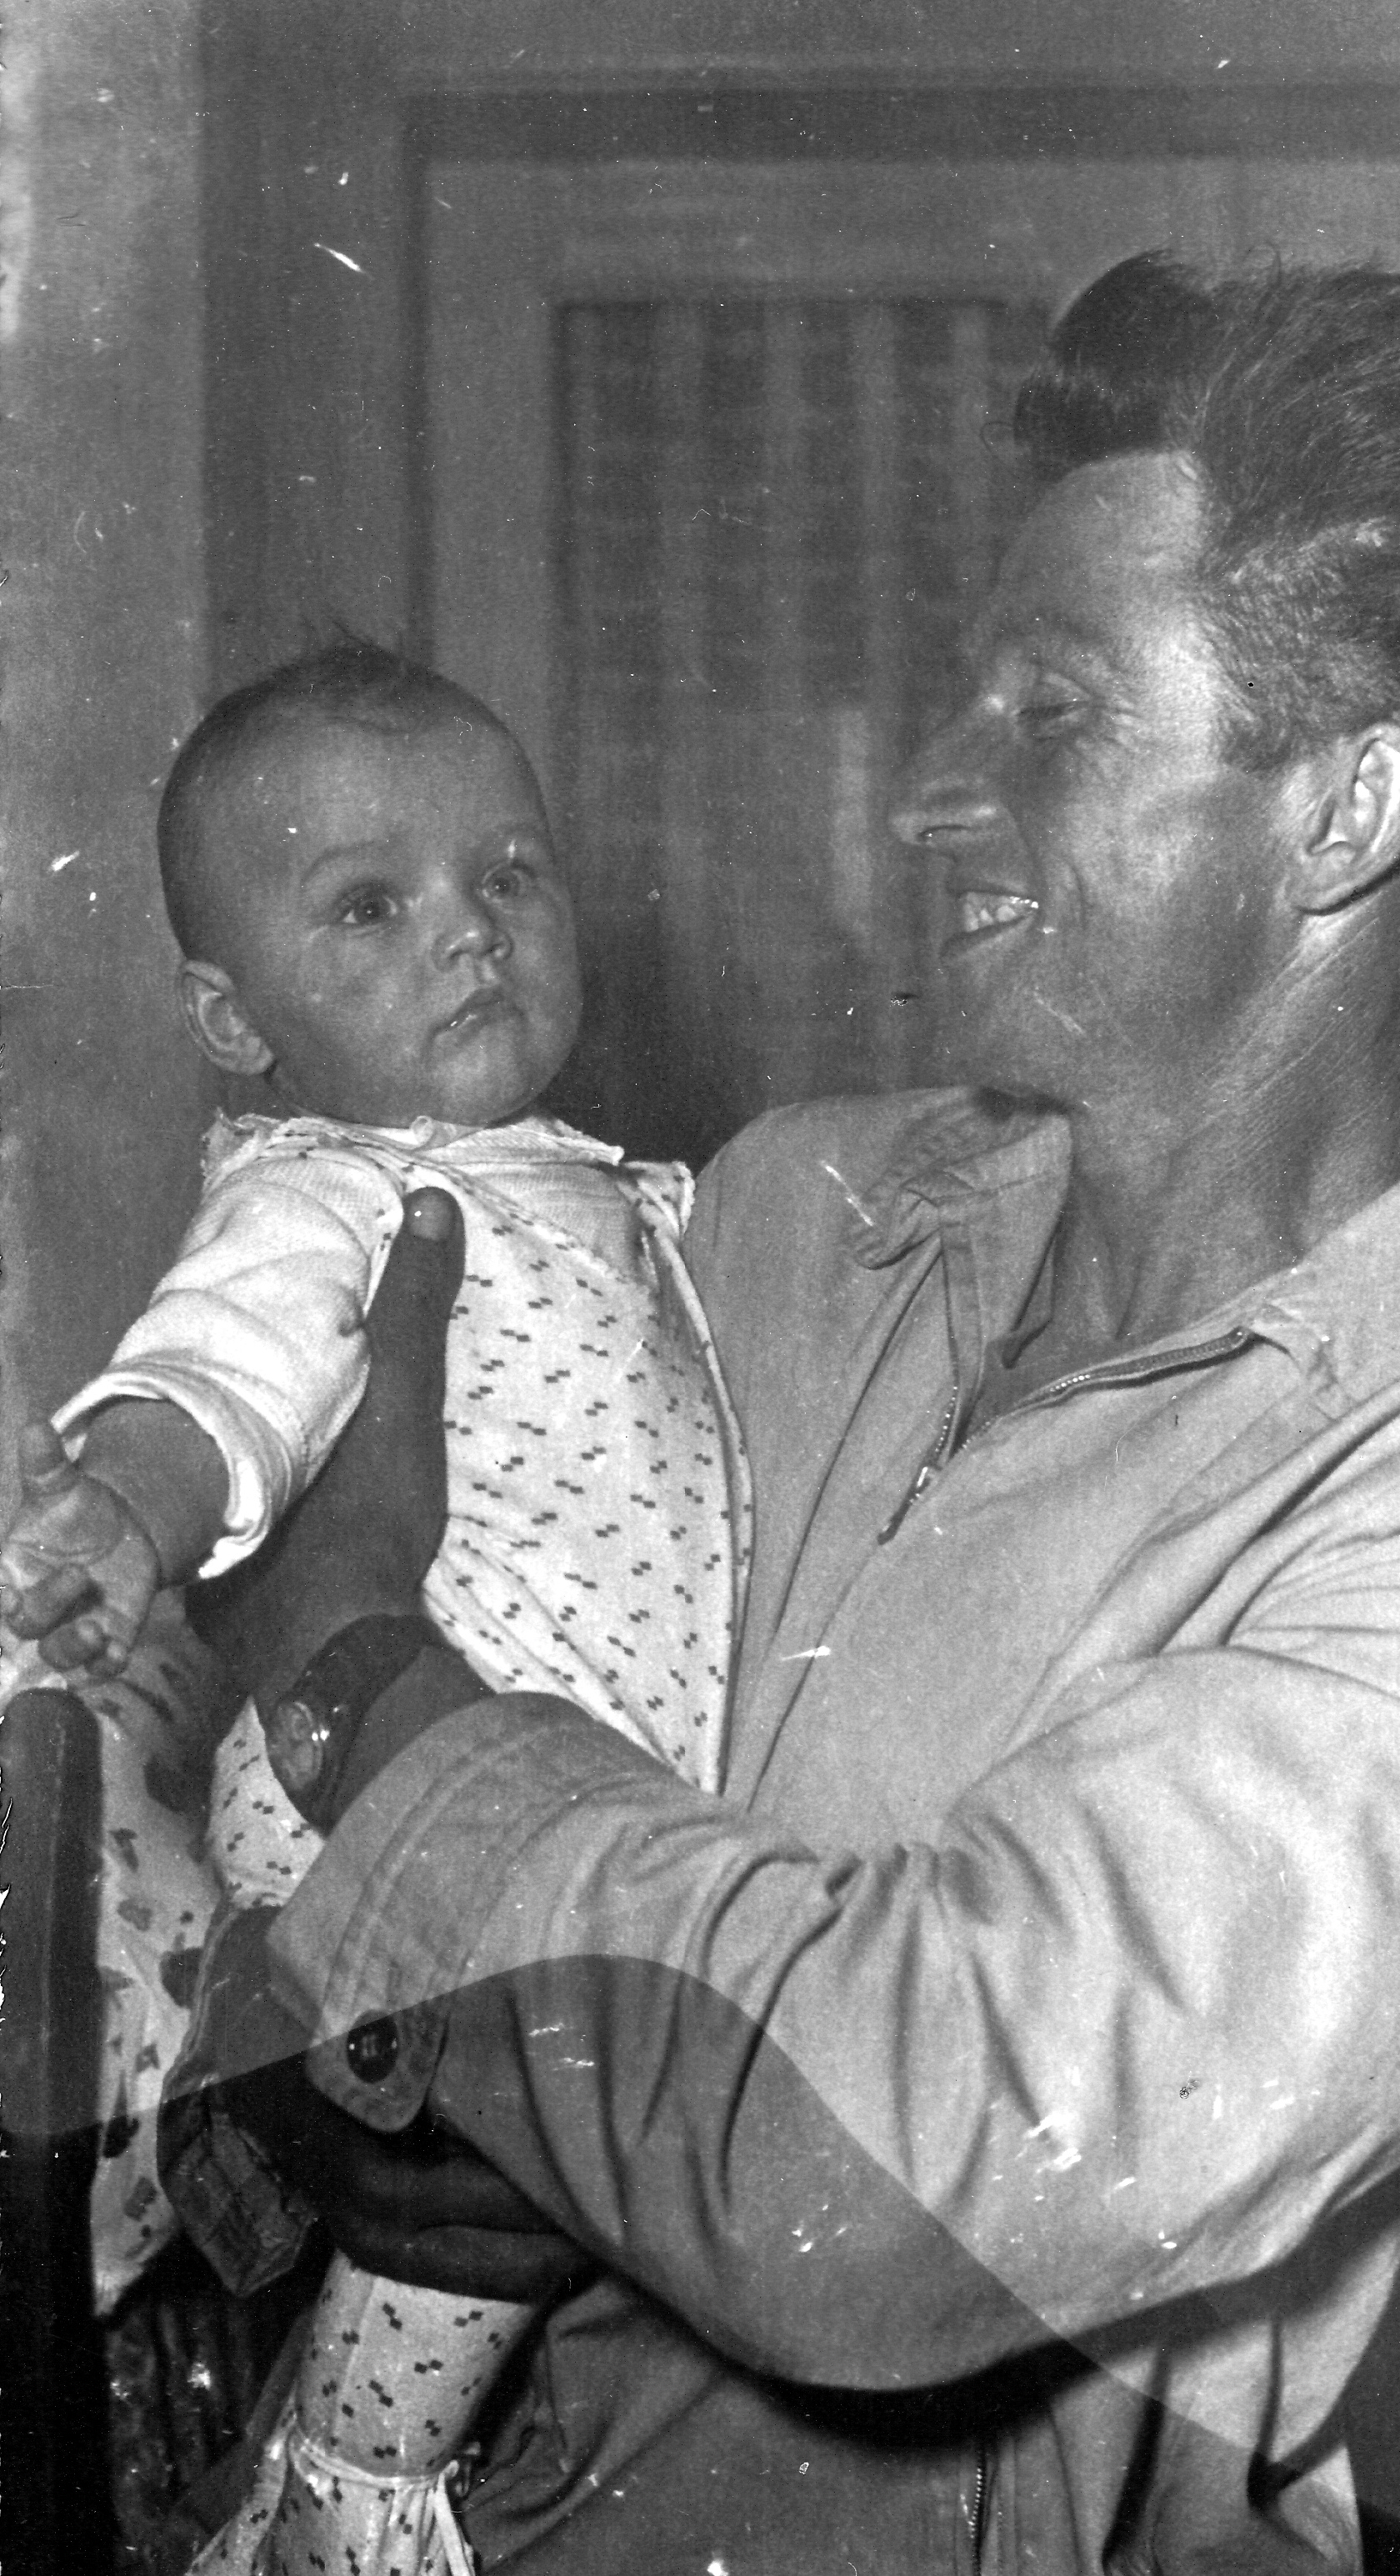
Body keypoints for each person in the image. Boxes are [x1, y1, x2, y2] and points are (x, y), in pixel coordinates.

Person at [167, 255, 1400, 2573]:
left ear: (1344, 812)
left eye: (1050, 712)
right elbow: (298, 1944)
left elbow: (876, 2173)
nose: (928, 792)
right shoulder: (787, 1215)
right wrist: (320, 2088)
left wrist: (351, 1660)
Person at [0, 644, 745, 2572]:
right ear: (229, 1021)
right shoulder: (333, 1193)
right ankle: (344, 2505)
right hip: (392, 1802)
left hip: (542, 1803)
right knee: (469, 2220)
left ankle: (291, 2382)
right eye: (368, 906)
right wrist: (130, 1504)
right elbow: (218, 1374)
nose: (468, 931)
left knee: (515, 2189)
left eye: (509, 872)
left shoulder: (587, 1187)